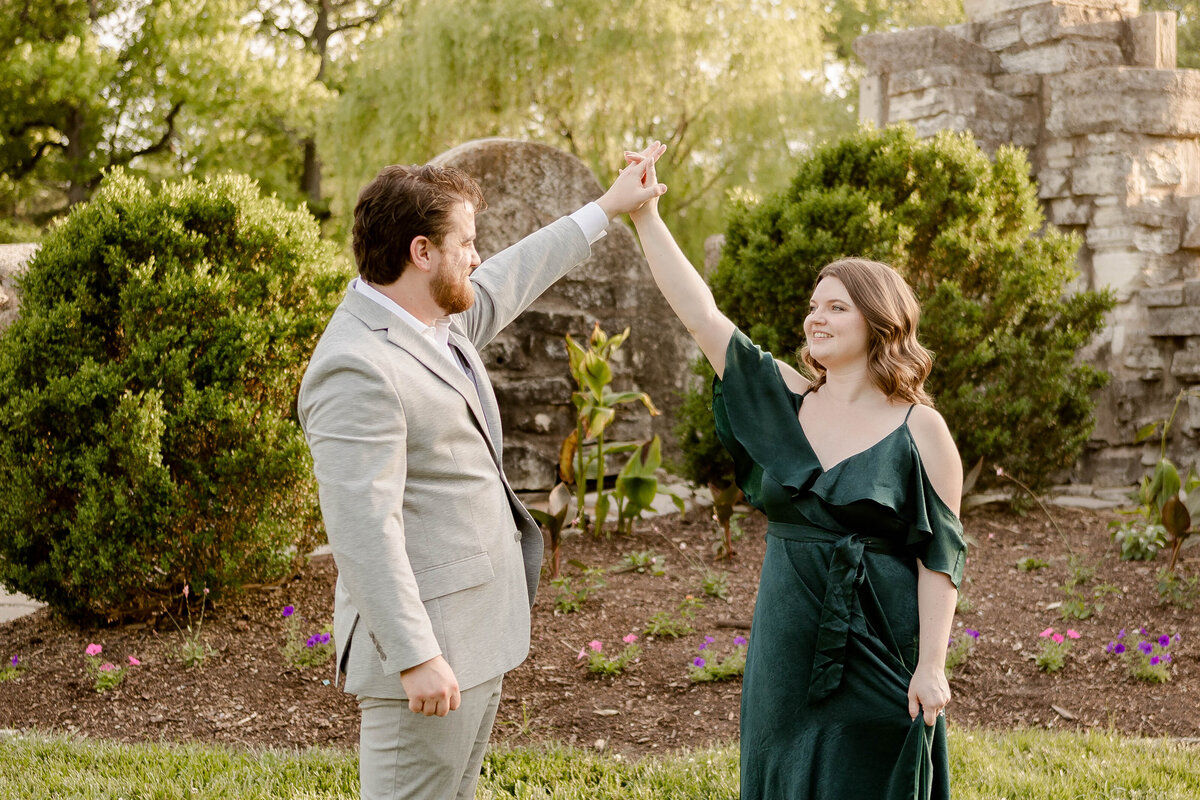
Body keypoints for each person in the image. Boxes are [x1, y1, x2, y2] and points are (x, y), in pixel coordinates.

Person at [297, 145, 666, 800]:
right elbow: (362, 530)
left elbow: (515, 272)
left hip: (475, 638)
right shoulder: (356, 364)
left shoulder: (436, 319)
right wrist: (415, 656)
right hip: (427, 653)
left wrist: (611, 206)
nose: (476, 255)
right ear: (421, 252)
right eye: (465, 242)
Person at [625, 144, 965, 799]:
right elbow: (702, 316)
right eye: (814, 306)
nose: (816, 317)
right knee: (783, 774)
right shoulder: (784, 400)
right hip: (788, 633)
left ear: (880, 320)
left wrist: (931, 667)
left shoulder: (922, 430)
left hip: (881, 642)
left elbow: (940, 561)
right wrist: (646, 216)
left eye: (837, 306)